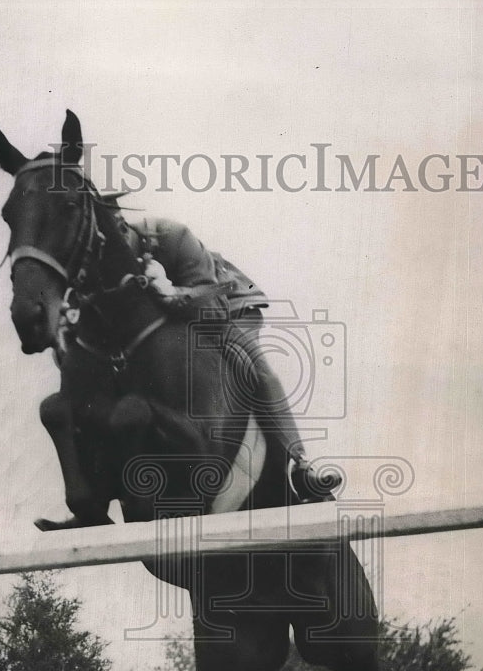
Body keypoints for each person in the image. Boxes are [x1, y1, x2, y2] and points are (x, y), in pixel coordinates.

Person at [120, 214, 339, 502]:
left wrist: (170, 291)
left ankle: (300, 464)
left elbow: (212, 309)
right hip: (177, 323)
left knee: (257, 370)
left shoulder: (171, 236)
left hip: (227, 308)